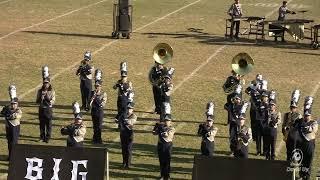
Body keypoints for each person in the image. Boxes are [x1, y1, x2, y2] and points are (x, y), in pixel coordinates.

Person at [294, 96, 318, 180]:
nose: (306, 117)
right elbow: (294, 126)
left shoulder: (314, 123)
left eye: (307, 115)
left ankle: (307, 177)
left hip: (310, 144)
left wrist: (304, 126)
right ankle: (301, 175)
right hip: (301, 144)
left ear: (310, 115)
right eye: (305, 115)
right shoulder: (300, 122)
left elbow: (312, 130)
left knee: (308, 161)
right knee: (302, 161)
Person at [153, 114, 175, 180]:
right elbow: (154, 133)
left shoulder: (172, 128)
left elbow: (166, 135)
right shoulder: (161, 126)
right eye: (165, 120)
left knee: (167, 161)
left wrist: (161, 129)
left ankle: (167, 176)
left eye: (168, 120)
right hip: (160, 145)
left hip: (168, 146)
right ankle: (162, 175)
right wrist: (156, 128)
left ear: (170, 121)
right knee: (161, 161)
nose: (166, 122)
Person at [282, 89, 302, 161]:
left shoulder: (299, 116)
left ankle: (293, 163)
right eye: (291, 107)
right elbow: (283, 124)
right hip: (288, 136)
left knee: (294, 150)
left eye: (293, 108)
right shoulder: (286, 115)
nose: (292, 109)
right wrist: (284, 133)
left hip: (295, 136)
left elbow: (300, 127)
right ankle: (287, 162)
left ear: (296, 108)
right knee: (288, 151)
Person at [36, 77, 56, 143]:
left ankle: (47, 137)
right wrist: (41, 98)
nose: (45, 84)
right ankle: (42, 137)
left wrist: (46, 97)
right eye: (44, 83)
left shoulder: (52, 91)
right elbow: (37, 101)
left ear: (49, 83)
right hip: (41, 109)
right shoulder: (40, 91)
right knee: (41, 124)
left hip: (48, 110)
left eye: (47, 83)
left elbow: (52, 101)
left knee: (48, 124)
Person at [90, 71, 107, 144]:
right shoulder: (92, 93)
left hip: (99, 111)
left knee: (99, 126)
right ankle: (94, 138)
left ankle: (99, 139)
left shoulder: (103, 94)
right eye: (96, 86)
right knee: (94, 125)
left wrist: (96, 98)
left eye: (98, 86)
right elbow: (89, 103)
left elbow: (102, 104)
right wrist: (93, 96)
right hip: (93, 110)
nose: (96, 87)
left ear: (100, 86)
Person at [119, 102, 137, 169]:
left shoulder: (134, 116)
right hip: (123, 133)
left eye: (130, 108)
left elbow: (131, 122)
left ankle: (128, 164)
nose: (129, 110)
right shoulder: (123, 115)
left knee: (128, 149)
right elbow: (119, 121)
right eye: (128, 108)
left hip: (129, 134)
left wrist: (124, 119)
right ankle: (124, 162)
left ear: (132, 109)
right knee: (123, 149)